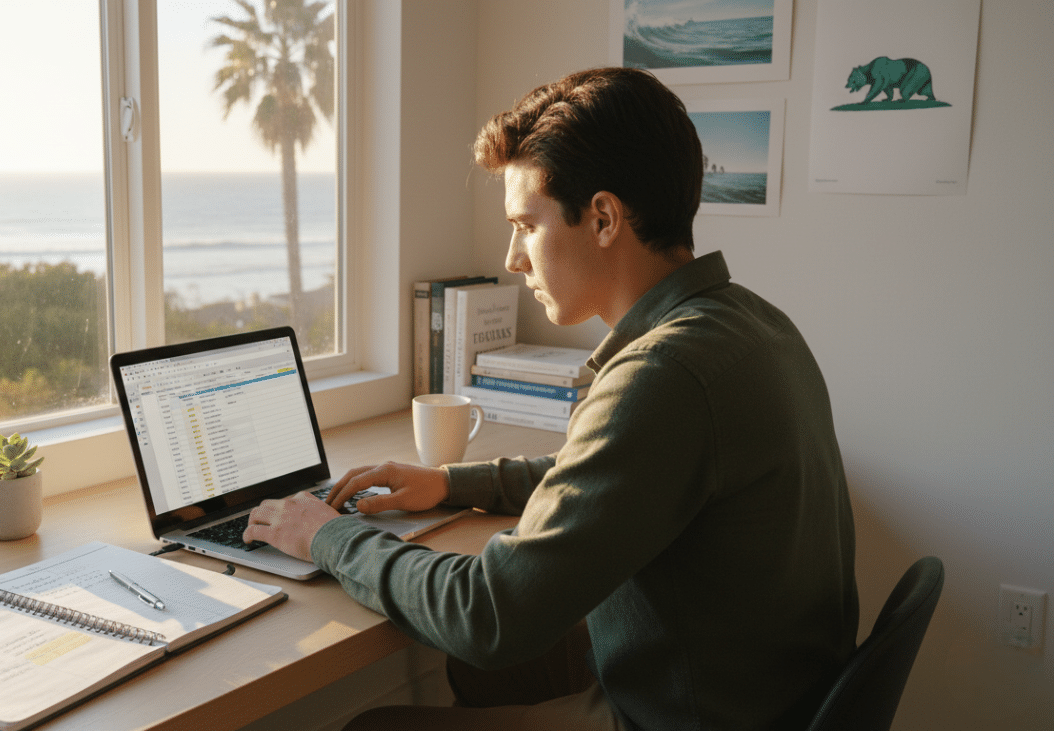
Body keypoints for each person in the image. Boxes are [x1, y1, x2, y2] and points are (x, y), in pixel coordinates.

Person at [243, 67, 859, 730]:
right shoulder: (751, 324)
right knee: (482, 671)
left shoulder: (663, 374)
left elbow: (488, 615)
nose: (513, 257)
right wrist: (451, 482)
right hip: (765, 696)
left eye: (525, 225)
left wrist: (330, 536)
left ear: (601, 218)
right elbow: (613, 474)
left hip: (678, 716)